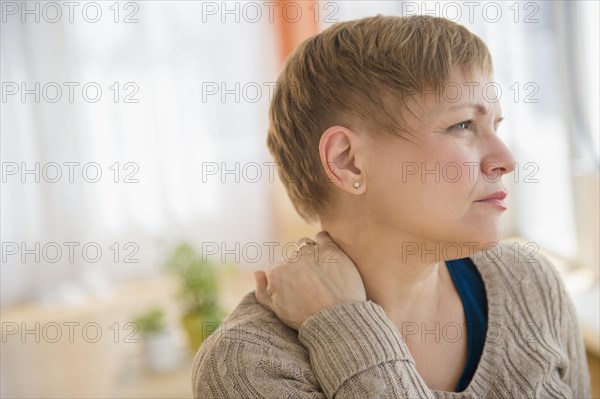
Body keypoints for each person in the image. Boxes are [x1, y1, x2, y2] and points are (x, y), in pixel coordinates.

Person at [191, 15, 592, 398]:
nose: (505, 159)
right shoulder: (248, 366)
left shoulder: (529, 282)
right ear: (347, 161)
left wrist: (345, 327)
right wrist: (347, 331)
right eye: (463, 125)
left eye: (496, 127)